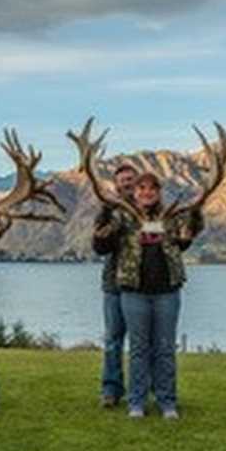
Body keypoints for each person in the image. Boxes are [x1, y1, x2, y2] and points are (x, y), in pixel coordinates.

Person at [101, 172, 203, 420]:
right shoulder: (122, 216)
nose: (147, 192)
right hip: (134, 292)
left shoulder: (170, 216)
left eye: (152, 188)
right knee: (138, 349)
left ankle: (167, 401)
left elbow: (186, 237)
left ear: (158, 192)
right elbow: (101, 244)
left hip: (167, 291)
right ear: (134, 192)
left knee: (165, 348)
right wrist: (104, 215)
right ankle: (137, 402)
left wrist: (197, 210)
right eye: (141, 188)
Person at [92, 163, 137, 408]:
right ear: (116, 185)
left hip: (140, 285)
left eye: (131, 179)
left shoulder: (147, 208)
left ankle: (140, 389)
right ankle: (111, 390)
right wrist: (111, 228)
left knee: (141, 343)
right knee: (113, 340)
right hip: (114, 284)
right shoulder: (107, 211)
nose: (127, 183)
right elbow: (98, 247)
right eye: (122, 180)